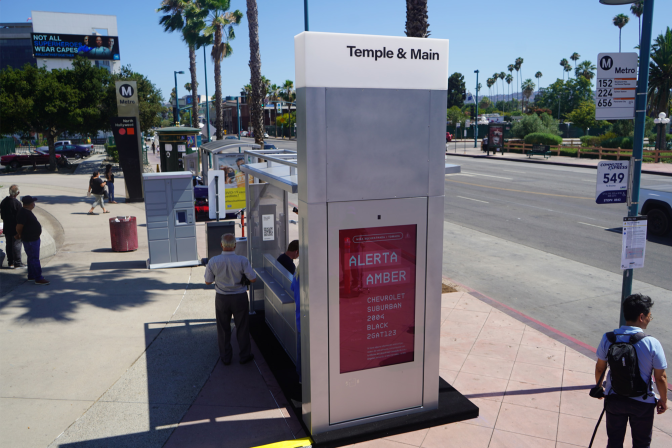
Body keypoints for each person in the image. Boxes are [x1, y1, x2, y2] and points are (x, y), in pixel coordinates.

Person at [595, 294, 667, 448]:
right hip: (643, 402)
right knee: (641, 444)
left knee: (614, 442)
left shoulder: (608, 338)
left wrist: (599, 387)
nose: (649, 319)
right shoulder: (652, 343)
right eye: (649, 316)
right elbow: (661, 377)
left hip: (614, 398)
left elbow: (600, 367)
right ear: (641, 317)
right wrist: (663, 400)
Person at [204, 234, 257, 365]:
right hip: (239, 297)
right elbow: (253, 279)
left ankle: (226, 358)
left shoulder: (213, 261)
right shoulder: (242, 260)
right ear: (235, 245)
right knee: (242, 327)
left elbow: (207, 281)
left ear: (222, 245)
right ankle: (244, 355)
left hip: (222, 298)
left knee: (223, 328)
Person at [15, 196, 48, 285]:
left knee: (31, 258)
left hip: (32, 238)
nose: (34, 203)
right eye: (33, 202)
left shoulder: (26, 212)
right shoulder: (23, 213)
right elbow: (19, 226)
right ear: (30, 204)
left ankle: (31, 275)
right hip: (30, 239)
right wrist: (20, 234)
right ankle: (38, 278)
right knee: (34, 258)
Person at [1, 185, 24, 269]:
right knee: (16, 244)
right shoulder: (17, 203)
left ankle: (10, 262)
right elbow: (20, 217)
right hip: (15, 227)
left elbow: (2, 216)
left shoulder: (3, 202)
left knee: (9, 245)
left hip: (7, 226)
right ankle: (17, 262)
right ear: (18, 193)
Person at [291, 266, 301, 382]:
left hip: (300, 318)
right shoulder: (315, 274)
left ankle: (301, 378)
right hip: (313, 320)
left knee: (301, 352)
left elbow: (292, 288)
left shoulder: (297, 273)